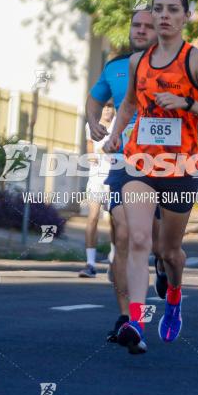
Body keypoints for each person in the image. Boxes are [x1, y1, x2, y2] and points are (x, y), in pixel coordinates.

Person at [104, 0, 198, 354]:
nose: (164, 16)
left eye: (173, 10)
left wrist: (186, 102)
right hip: (140, 162)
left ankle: (174, 296)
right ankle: (137, 323)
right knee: (138, 239)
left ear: (185, 16)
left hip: (180, 167)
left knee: (168, 251)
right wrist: (114, 136)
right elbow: (127, 105)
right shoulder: (138, 61)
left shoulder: (197, 61)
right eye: (158, 9)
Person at [85, 9, 159, 342]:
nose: (141, 30)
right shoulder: (116, 68)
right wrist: (93, 120)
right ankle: (128, 318)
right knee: (126, 237)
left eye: (148, 26)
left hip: (167, 165)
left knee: (164, 249)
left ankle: (169, 280)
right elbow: (93, 98)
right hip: (124, 163)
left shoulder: (176, 67)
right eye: (136, 25)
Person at [78, 102, 115, 278]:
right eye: (105, 107)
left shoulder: (118, 125)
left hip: (114, 179)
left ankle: (114, 260)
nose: (107, 110)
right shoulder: (90, 125)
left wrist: (106, 152)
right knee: (92, 218)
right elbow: (90, 145)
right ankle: (90, 263)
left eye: (111, 107)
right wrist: (92, 154)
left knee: (115, 222)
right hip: (95, 179)